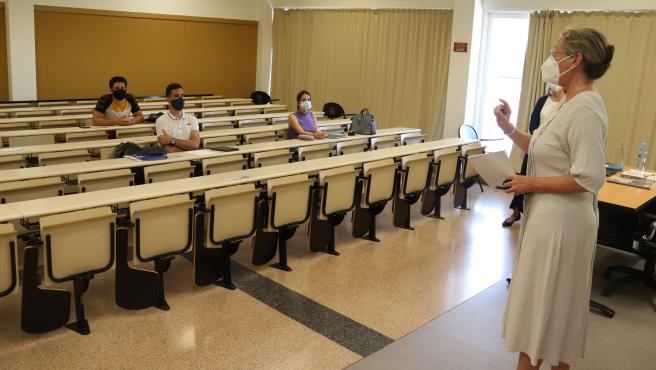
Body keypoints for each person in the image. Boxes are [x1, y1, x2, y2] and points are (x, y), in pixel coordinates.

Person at [494, 27, 614, 370]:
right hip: (549, 218)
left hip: (564, 224)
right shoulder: (564, 102)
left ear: (575, 60)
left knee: (548, 312)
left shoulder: (586, 108)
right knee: (543, 312)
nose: (551, 59)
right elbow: (543, 148)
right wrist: (509, 129)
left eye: (556, 53)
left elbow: (587, 177)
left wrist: (531, 182)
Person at [503, 84, 566, 227]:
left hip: (553, 156)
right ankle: (516, 212)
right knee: (523, 181)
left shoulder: (569, 103)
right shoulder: (542, 101)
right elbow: (533, 127)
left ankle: (532, 215)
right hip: (534, 148)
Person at [155, 83, 200, 153]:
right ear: (168, 99)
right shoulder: (161, 121)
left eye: (182, 95)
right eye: (176, 96)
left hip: (192, 161)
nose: (181, 98)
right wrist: (188, 148)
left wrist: (172, 140)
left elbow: (195, 145)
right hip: (173, 162)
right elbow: (168, 149)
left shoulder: (192, 119)